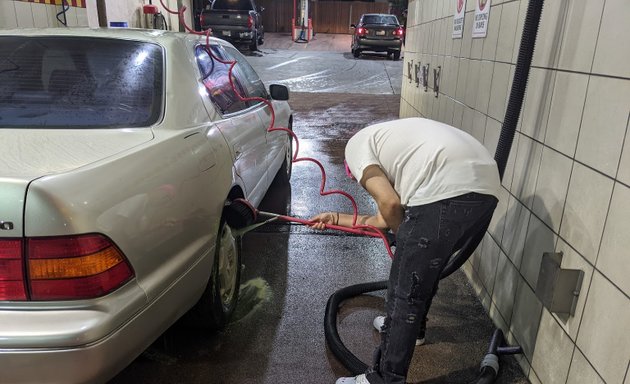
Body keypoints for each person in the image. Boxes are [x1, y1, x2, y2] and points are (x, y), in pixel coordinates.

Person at [310, 117, 500, 384]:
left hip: (445, 188)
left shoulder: (355, 147)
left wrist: (405, 242)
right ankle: (415, 331)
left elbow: (389, 202)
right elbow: (381, 219)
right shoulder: (396, 144)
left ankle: (384, 379)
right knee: (425, 271)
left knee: (403, 293)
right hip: (486, 190)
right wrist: (334, 217)